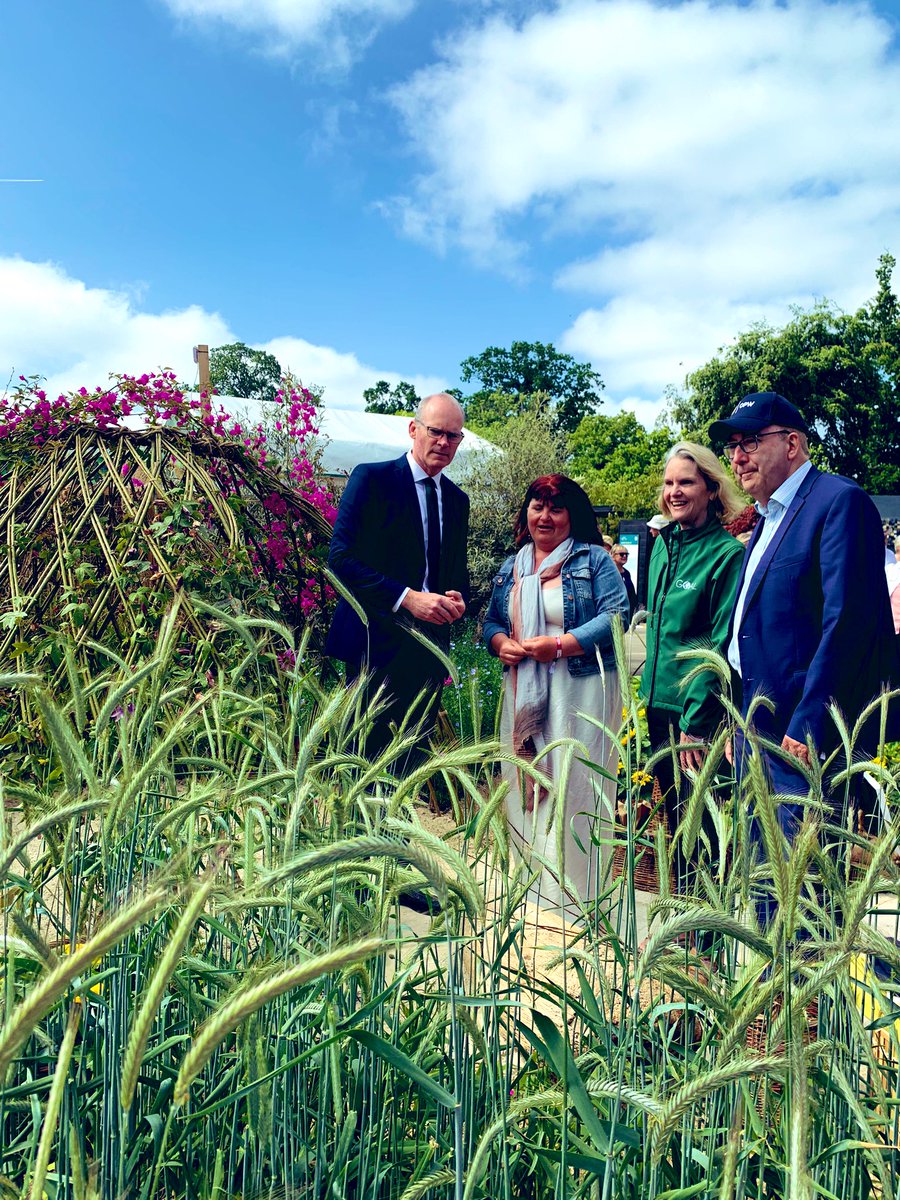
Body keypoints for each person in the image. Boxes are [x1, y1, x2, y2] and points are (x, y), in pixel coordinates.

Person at [710, 392, 898, 821]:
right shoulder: (767, 516)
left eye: (751, 441)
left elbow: (847, 623)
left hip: (800, 735)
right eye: (732, 446)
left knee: (803, 879)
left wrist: (811, 721)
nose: (737, 458)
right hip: (754, 729)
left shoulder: (838, 501)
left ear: (792, 444)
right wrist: (736, 720)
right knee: (759, 876)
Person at [483, 475, 629, 912]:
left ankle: (578, 900)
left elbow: (617, 616)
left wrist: (562, 645)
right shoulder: (512, 566)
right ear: (525, 511)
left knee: (576, 785)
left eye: (556, 508)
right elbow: (490, 622)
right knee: (524, 783)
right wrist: (500, 644)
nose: (544, 516)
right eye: (537, 506)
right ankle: (532, 898)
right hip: (524, 692)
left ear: (573, 516)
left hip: (578, 689)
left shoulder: (593, 561)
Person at [325, 393, 470, 760]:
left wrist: (458, 598)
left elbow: (454, 571)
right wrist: (408, 598)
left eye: (453, 436)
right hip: (375, 645)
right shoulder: (372, 480)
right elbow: (340, 559)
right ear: (413, 429)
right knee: (363, 763)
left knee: (411, 763)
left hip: (428, 652)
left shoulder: (457, 500)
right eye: (436, 431)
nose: (443, 442)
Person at [638, 442, 745, 893]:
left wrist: (697, 723)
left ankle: (700, 939)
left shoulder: (725, 555)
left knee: (698, 825)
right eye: (668, 483)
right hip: (657, 705)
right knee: (674, 821)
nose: (674, 492)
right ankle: (681, 931)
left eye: (686, 482)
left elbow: (716, 645)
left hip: (693, 717)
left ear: (711, 488)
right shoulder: (662, 547)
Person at [610, 543, 638, 619]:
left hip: (628, 612)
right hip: (615, 613)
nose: (625, 556)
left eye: (626, 554)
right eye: (621, 554)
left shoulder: (627, 573)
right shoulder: (610, 573)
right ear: (613, 556)